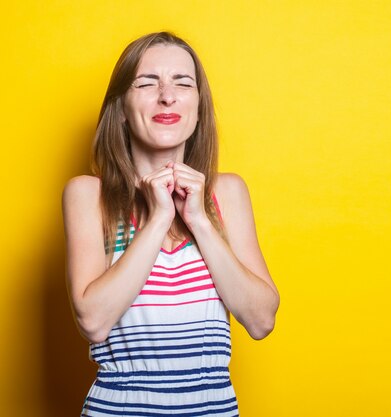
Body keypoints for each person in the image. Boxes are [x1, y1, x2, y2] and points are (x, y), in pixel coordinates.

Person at [62, 32, 279, 416]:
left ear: (197, 111)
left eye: (182, 83)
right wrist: (160, 216)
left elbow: (261, 320)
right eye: (147, 83)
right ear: (122, 108)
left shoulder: (226, 194)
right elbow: (93, 321)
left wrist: (199, 219)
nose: (167, 96)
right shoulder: (88, 196)